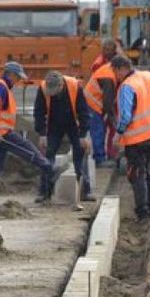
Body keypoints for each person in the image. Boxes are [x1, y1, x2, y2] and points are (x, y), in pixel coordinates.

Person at [0, 61, 54, 199]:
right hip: (1, 133)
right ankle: (48, 169)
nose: (18, 80)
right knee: (28, 149)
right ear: (10, 74)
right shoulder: (0, 87)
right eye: (17, 77)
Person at [111, 54, 150, 222]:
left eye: (116, 72)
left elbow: (125, 117)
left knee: (137, 174)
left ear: (121, 68)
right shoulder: (148, 76)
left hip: (136, 139)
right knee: (149, 172)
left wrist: (117, 134)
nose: (116, 77)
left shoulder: (126, 86)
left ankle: (143, 212)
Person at [33, 71, 93, 204]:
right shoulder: (43, 88)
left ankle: (85, 191)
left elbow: (84, 112)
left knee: (80, 153)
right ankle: (44, 192)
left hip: (73, 124)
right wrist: (42, 134)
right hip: (54, 125)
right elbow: (38, 112)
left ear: (61, 86)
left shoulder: (75, 86)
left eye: (54, 92)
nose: (52, 94)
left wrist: (83, 135)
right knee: (48, 154)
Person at [84, 40, 120, 167]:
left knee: (101, 129)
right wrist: (110, 116)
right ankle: (99, 159)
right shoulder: (108, 76)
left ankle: (106, 155)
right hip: (92, 103)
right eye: (106, 49)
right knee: (98, 130)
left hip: (96, 103)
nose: (108, 52)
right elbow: (107, 102)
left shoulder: (110, 68)